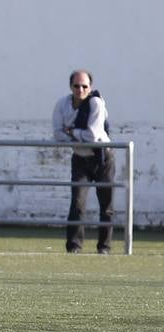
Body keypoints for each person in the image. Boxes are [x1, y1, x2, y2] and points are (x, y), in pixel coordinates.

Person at [52, 69, 114, 254]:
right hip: (80, 157)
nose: (80, 90)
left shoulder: (96, 103)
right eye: (76, 86)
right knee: (77, 203)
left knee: (106, 206)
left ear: (90, 87)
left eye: (84, 86)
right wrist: (78, 136)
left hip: (102, 156)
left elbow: (94, 136)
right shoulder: (62, 104)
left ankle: (104, 247)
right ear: (70, 87)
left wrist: (71, 132)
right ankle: (74, 247)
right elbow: (57, 133)